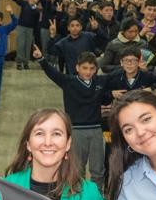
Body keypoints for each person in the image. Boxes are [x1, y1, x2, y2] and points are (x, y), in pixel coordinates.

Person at [34, 47, 112, 187]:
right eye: (84, 68)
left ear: (96, 69)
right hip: (76, 130)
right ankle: (77, 195)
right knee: (77, 168)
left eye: (91, 68)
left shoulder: (100, 81)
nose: (88, 72)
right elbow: (53, 73)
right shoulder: (68, 82)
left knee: (98, 169)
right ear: (77, 68)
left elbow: (117, 77)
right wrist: (41, 59)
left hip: (96, 130)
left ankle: (97, 196)